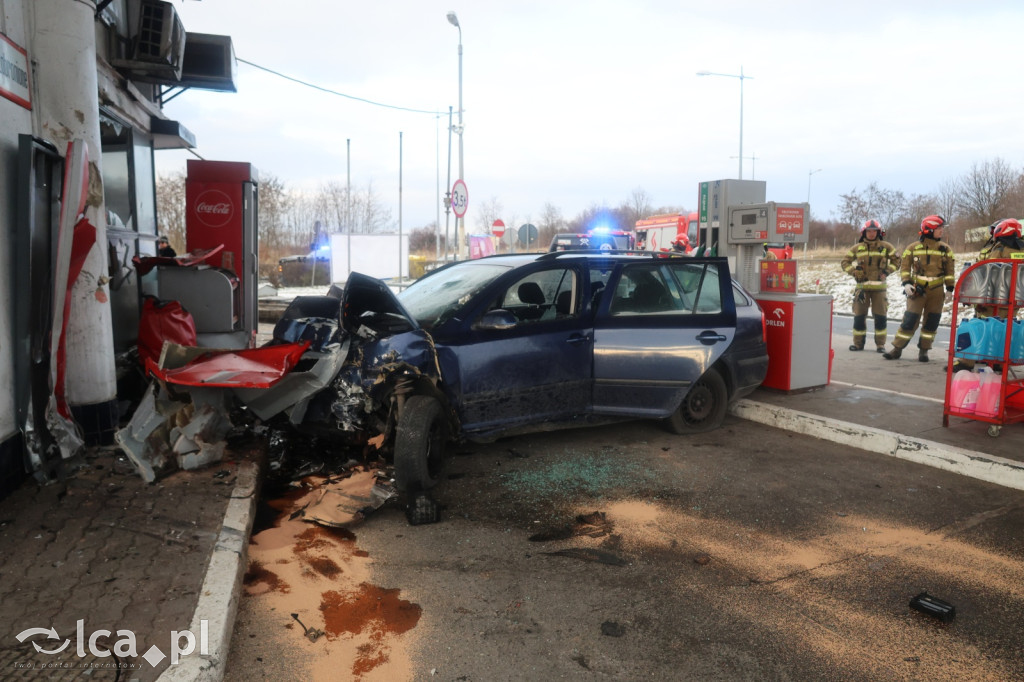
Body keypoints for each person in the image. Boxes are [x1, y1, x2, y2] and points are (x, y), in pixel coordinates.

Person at [952, 218, 1024, 372]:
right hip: (1014, 298)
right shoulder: (1022, 249)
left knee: (981, 326)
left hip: (994, 298)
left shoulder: (999, 248)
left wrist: (976, 296)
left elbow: (987, 273)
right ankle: (998, 362)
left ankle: (966, 362)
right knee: (1005, 328)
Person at [883, 215, 955, 361]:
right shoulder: (913, 248)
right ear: (929, 230)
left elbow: (950, 271)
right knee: (910, 319)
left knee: (932, 321)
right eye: (939, 228)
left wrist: (949, 289)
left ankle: (924, 350)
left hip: (936, 291)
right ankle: (897, 349)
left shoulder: (945, 249)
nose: (941, 231)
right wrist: (906, 283)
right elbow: (904, 268)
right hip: (918, 290)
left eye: (942, 228)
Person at [841, 219, 901, 352]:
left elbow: (897, 261)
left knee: (880, 317)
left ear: (879, 232)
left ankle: (880, 345)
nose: (872, 234)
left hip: (879, 290)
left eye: (874, 231)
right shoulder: (857, 248)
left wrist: (887, 271)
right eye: (869, 231)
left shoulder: (886, 247)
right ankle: (858, 344)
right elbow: (845, 262)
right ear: (864, 232)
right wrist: (854, 272)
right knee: (859, 317)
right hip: (862, 289)